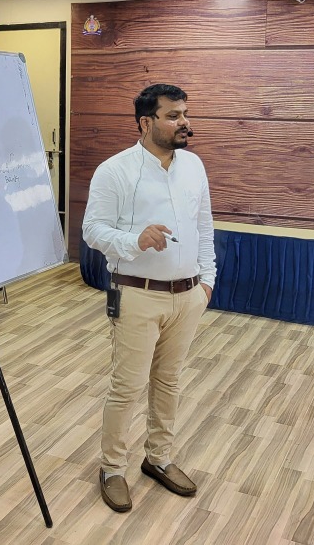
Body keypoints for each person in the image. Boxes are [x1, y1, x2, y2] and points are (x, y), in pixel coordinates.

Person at [82, 83, 216, 513]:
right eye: (173, 116)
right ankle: (112, 468)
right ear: (145, 122)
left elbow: (205, 226)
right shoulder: (115, 171)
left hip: (187, 295)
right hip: (136, 295)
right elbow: (92, 230)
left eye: (185, 114)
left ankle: (158, 458)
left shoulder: (193, 165)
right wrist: (134, 240)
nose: (184, 122)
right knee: (128, 387)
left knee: (169, 382)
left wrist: (206, 282)